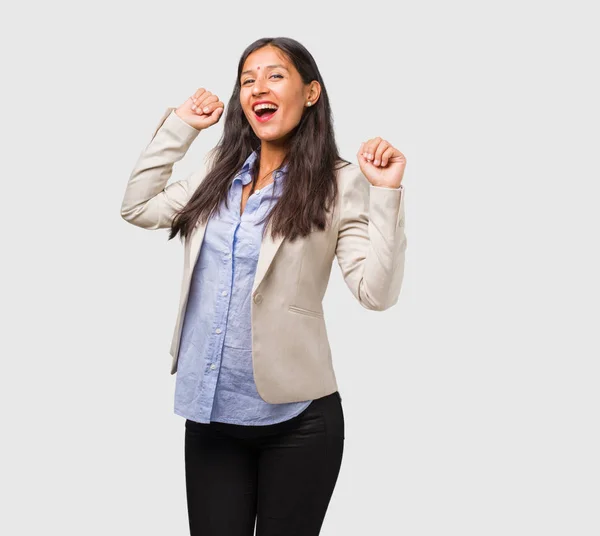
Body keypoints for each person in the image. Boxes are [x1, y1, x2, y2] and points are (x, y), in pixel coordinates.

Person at [121, 36, 407, 536]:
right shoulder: (218, 170)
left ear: (311, 93)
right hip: (211, 416)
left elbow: (375, 292)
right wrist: (183, 126)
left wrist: (386, 194)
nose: (258, 88)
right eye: (247, 79)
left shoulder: (340, 183)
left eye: (275, 75)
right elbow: (137, 206)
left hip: (299, 420)